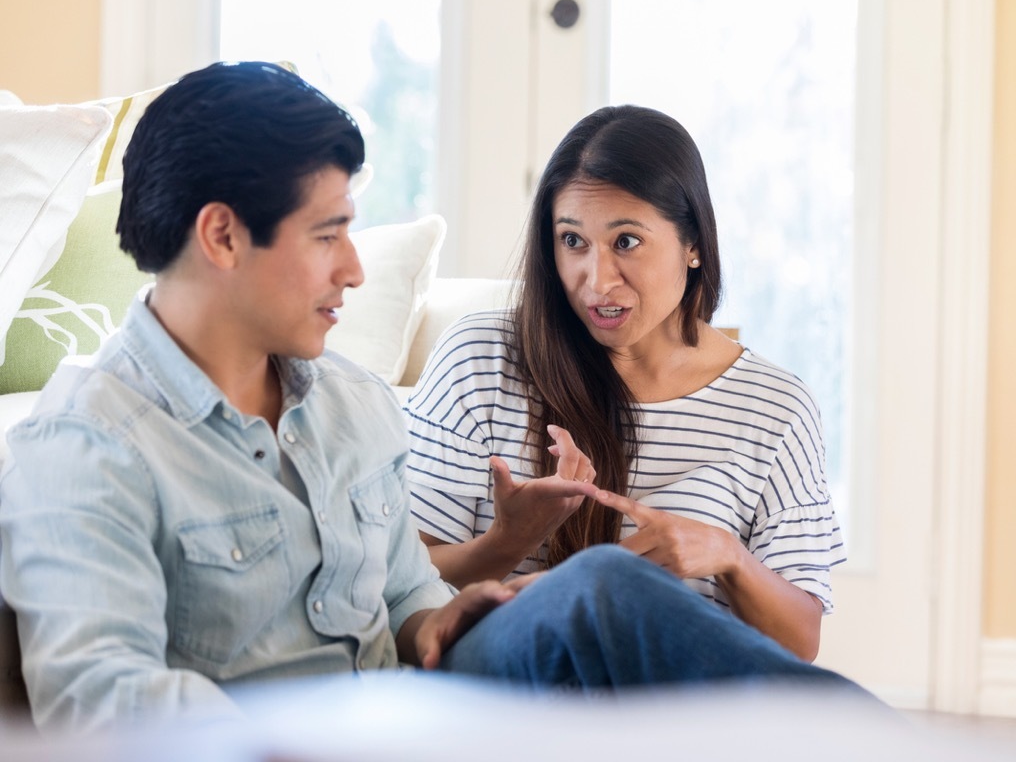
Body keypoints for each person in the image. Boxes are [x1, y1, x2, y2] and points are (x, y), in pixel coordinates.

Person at [0, 64, 877, 734]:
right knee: (600, 588)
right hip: (318, 739)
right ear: (223, 235)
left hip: (418, 714)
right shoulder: (85, 446)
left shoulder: (349, 403)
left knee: (595, 587)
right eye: (328, 234)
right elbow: (101, 704)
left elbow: (407, 596)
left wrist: (437, 620)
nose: (354, 267)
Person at [406, 105, 841, 662]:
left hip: (677, 708)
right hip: (512, 692)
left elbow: (797, 645)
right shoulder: (481, 359)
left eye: (627, 241)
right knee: (605, 584)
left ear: (694, 245)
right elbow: (398, 589)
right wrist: (508, 541)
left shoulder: (776, 408)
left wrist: (728, 555)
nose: (596, 280)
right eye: (572, 241)